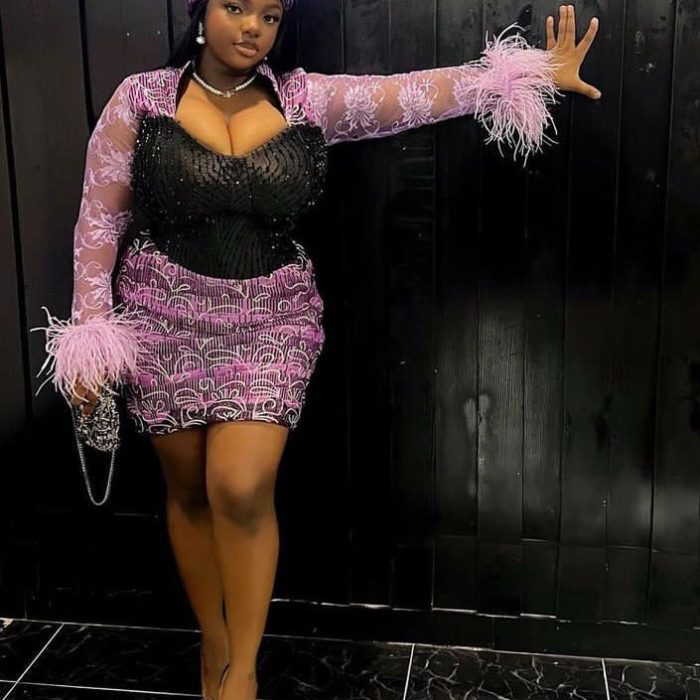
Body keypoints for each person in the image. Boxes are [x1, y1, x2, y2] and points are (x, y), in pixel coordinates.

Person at [33, 1, 600, 699]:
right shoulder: (141, 99)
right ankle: (215, 644)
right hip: (161, 316)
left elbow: (411, 94)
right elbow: (100, 219)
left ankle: (242, 672)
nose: (252, 26)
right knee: (189, 493)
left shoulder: (306, 100)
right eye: (235, 6)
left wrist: (535, 71)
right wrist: (90, 337)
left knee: (239, 485)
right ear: (201, 12)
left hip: (272, 318)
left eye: (269, 14)